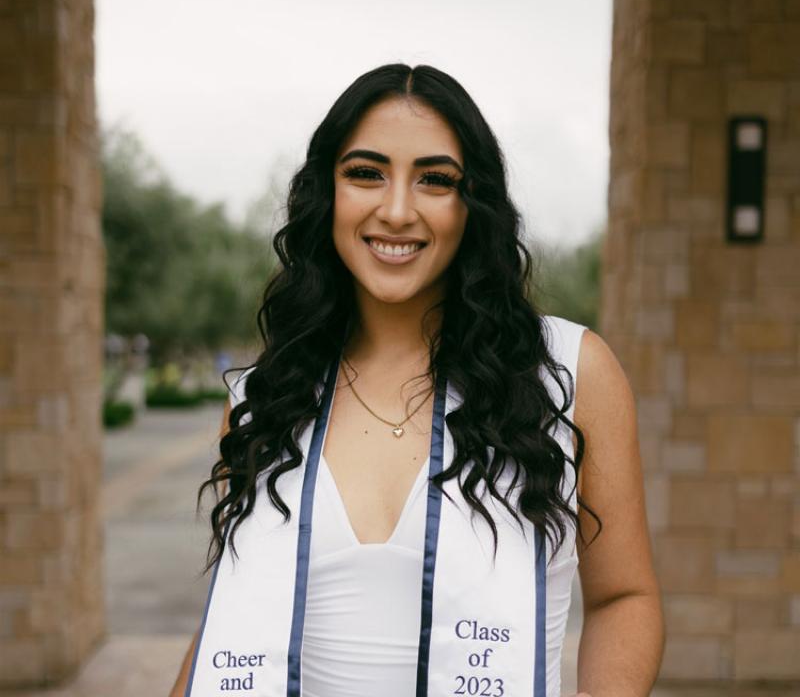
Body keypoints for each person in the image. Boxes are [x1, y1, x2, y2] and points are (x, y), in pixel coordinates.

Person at [169, 63, 664, 697]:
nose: (397, 210)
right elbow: (234, 623)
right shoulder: (267, 397)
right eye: (366, 173)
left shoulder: (568, 375)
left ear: (473, 203)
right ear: (329, 194)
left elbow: (625, 596)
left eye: (435, 179)